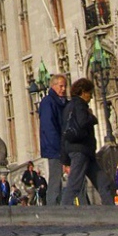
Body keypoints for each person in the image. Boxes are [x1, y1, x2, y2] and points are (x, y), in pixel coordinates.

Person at [59, 77, 101, 206]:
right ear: (83, 92)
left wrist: (65, 159)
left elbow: (64, 133)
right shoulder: (80, 105)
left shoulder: (68, 106)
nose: (91, 97)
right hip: (81, 149)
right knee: (74, 184)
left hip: (83, 150)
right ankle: (61, 212)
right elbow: (83, 122)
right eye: (90, 93)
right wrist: (93, 118)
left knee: (104, 183)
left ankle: (112, 211)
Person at [38, 73, 68, 206]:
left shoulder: (62, 102)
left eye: (65, 86)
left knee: (67, 178)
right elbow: (49, 128)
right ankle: (52, 207)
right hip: (55, 148)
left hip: (63, 146)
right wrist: (59, 148)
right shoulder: (48, 102)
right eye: (61, 86)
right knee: (55, 179)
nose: (64, 89)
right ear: (53, 86)